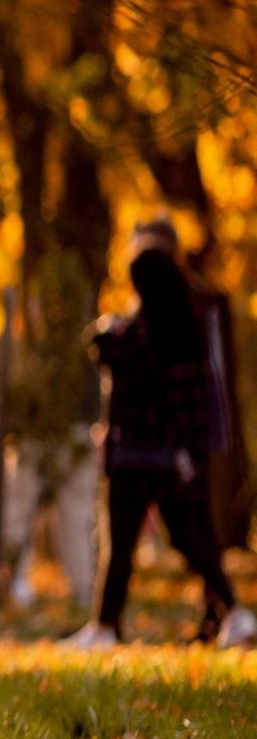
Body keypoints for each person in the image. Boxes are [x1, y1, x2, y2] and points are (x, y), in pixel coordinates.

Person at [65, 223, 255, 650]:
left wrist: (105, 327)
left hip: (135, 456)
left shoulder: (137, 332)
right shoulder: (187, 326)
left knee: (122, 546)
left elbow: (104, 350)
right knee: (190, 538)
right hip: (170, 457)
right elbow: (189, 399)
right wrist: (191, 449)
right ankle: (234, 612)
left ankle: (105, 626)